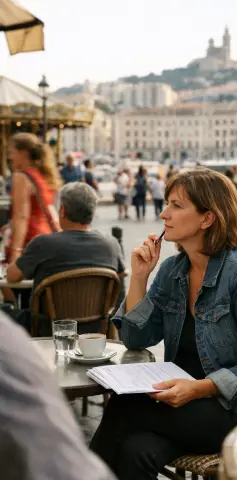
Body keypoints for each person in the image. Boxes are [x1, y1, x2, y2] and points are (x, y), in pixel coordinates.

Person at [90, 169, 237, 480]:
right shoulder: (174, 270)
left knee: (125, 405)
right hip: (185, 405)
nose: (163, 213)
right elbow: (135, 336)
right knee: (137, 451)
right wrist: (140, 276)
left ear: (207, 219)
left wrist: (198, 389)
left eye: (176, 205)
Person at [0, 310, 115, 480]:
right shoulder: (9, 343)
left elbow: (31, 301)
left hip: (46, 327)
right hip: (96, 322)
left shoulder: (6, 344)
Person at [7, 182, 125, 333]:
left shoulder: (43, 244)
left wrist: (15, 248)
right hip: (96, 330)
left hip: (46, 329)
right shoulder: (111, 245)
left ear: (62, 211)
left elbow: (12, 276)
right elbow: (120, 290)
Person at [3, 133, 61, 308]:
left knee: (17, 296)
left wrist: (15, 253)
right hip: (45, 240)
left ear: (23, 153)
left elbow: (22, 217)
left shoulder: (20, 176)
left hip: (29, 243)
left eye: (11, 151)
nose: (9, 156)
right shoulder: (41, 176)